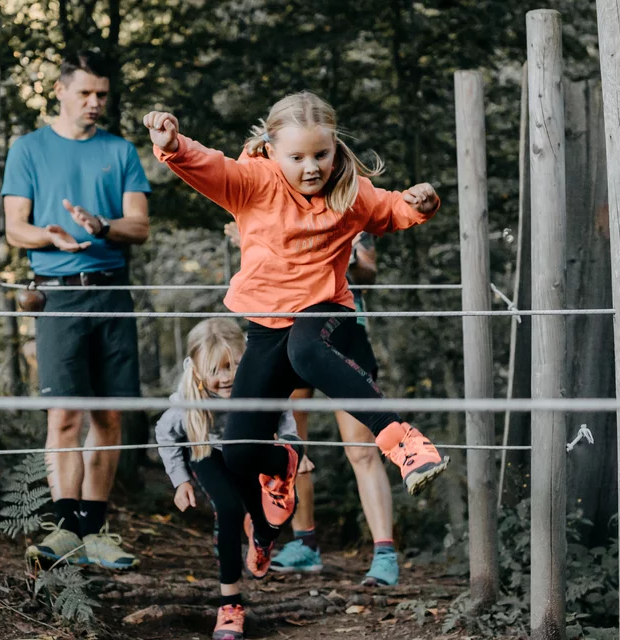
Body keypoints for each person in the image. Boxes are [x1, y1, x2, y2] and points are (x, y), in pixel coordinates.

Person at [142, 92, 448, 572]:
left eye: (321, 154)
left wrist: (419, 204)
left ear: (335, 148)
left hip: (326, 312)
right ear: (271, 148)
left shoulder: (349, 190)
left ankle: (403, 439)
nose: (311, 167)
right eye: (298, 157)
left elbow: (390, 209)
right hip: (266, 325)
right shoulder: (254, 182)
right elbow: (211, 167)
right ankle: (272, 503)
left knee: (306, 350)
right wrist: (174, 145)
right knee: (240, 451)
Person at [3, 50, 150, 570]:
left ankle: (97, 529)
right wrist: (50, 235)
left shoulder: (122, 151)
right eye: (85, 93)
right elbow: (14, 226)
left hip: (112, 291)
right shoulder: (29, 149)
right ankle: (64, 531)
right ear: (61, 90)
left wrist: (101, 226)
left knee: (110, 415)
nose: (94, 103)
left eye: (102, 95)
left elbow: (140, 225)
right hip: (56, 292)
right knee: (64, 415)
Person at [225, 225, 401, 586]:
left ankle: (385, 555)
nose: (309, 168)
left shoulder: (348, 211)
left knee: (362, 450)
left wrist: (343, 254)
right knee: (293, 446)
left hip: (342, 332)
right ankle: (305, 546)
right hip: (285, 331)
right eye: (297, 161)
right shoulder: (272, 204)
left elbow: (368, 273)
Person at [156, 318, 296, 640]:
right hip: (206, 452)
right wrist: (181, 481)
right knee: (228, 510)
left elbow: (283, 412)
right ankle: (230, 605)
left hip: (250, 453)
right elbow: (165, 433)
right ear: (197, 370)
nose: (226, 378)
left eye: (233, 366)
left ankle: (261, 536)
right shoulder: (188, 402)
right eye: (216, 370)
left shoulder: (259, 384)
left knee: (274, 514)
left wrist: (294, 448)